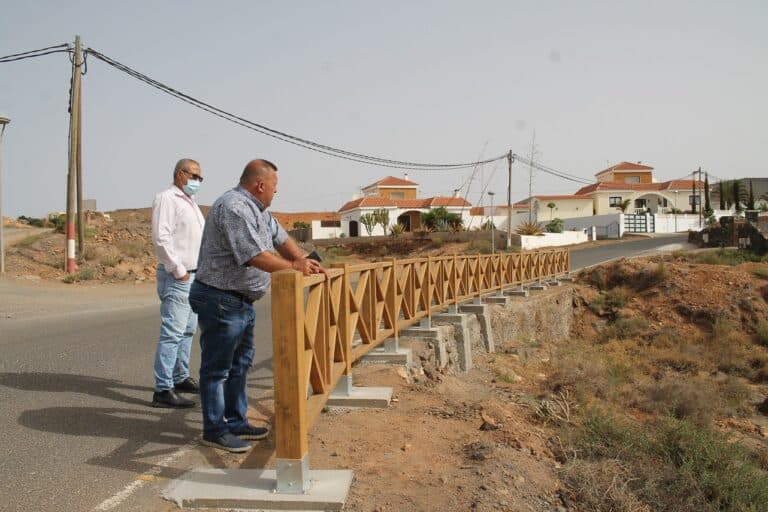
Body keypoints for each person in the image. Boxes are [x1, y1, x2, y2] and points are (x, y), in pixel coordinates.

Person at [190, 159, 326, 453]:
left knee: (240, 365)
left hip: (240, 300)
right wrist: (293, 266)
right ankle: (215, 429)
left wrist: (303, 260)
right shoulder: (235, 208)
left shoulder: (260, 211)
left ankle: (236, 421)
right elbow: (253, 255)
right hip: (220, 297)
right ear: (260, 185)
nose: (277, 192)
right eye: (275, 187)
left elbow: (281, 239)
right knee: (218, 368)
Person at [150, 158, 206, 408]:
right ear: (180, 174)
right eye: (194, 176)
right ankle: (163, 389)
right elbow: (161, 238)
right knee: (172, 333)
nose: (197, 182)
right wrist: (178, 270)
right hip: (178, 277)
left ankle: (180, 376)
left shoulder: (190, 202)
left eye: (200, 178)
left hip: (194, 276)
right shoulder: (167, 199)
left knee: (187, 330)